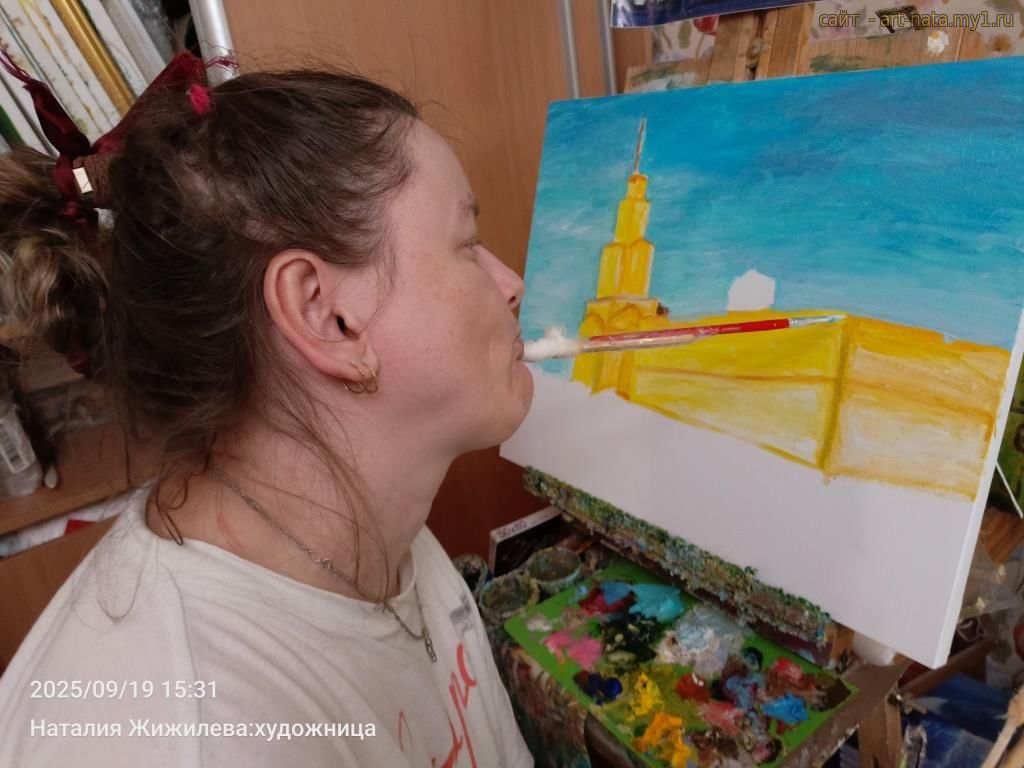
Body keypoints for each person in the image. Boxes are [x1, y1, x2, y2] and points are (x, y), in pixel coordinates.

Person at [0, 52, 534, 768]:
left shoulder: (372, 521)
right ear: (325, 315)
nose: (510, 282)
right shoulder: (185, 739)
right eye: (466, 244)